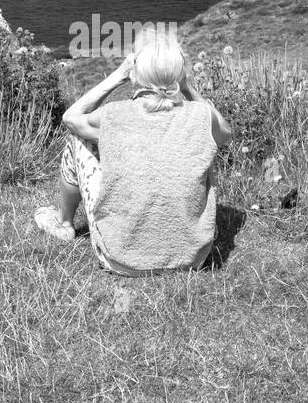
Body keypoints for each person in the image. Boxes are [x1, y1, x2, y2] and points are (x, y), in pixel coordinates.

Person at [34, 28, 234, 274]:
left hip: (120, 258)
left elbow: (71, 118)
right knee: (205, 139)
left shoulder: (115, 115)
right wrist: (187, 87)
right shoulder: (200, 115)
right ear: (179, 72)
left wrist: (119, 75)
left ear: (136, 72)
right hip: (193, 259)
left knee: (78, 139)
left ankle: (63, 222)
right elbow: (225, 132)